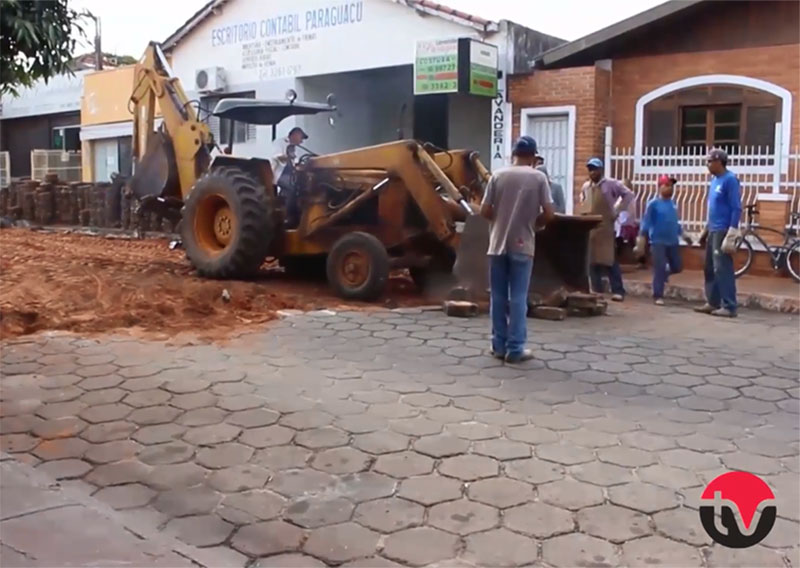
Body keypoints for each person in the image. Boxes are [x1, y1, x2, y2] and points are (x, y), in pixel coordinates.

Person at [481, 136, 555, 363]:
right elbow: (550, 213)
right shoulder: (538, 177)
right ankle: (515, 349)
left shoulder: (498, 175)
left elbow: (484, 210)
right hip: (523, 244)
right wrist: (534, 223)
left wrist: (499, 222)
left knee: (498, 296)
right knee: (518, 297)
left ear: (513, 155)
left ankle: (498, 346)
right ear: (533, 156)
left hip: (497, 244)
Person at [578, 157, 635, 301]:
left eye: (595, 169)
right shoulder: (586, 187)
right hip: (591, 226)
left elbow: (629, 194)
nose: (592, 172)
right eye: (590, 170)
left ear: (601, 170)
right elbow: (583, 201)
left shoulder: (611, 184)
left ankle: (618, 290)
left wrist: (618, 210)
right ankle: (597, 291)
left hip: (606, 225)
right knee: (592, 259)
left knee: (609, 258)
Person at [695, 148, 742, 318]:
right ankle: (712, 301)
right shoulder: (714, 181)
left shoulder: (730, 180)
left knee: (722, 268)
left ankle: (729, 305)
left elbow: (736, 207)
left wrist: (732, 230)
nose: (707, 164)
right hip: (713, 229)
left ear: (719, 162)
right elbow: (713, 209)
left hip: (723, 229)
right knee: (709, 267)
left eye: (710, 161)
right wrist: (706, 230)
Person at [634, 175, 692, 305]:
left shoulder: (673, 204)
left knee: (677, 266)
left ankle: (665, 274)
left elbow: (675, 223)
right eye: (666, 185)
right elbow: (646, 223)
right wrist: (641, 240)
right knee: (659, 268)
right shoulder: (653, 204)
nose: (670, 188)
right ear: (659, 187)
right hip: (658, 241)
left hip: (672, 241)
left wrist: (683, 234)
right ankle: (657, 295)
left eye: (671, 186)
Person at [270, 126, 309, 226]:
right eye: (301, 138)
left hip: (289, 173)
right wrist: (287, 157)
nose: (301, 142)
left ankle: (300, 213)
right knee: (292, 186)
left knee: (304, 184)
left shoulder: (293, 147)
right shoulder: (279, 142)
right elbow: (276, 156)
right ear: (295, 135)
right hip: (278, 173)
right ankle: (289, 217)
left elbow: (293, 162)